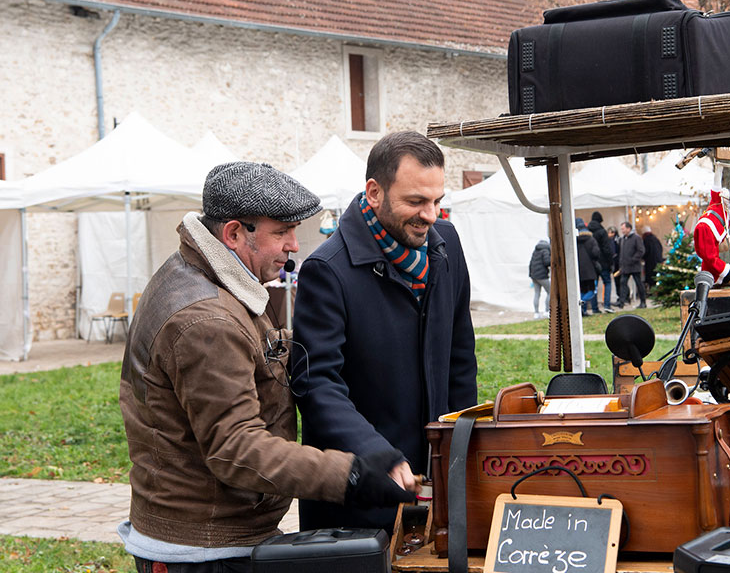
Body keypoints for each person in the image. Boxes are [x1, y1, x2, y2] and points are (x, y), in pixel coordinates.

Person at [118, 162, 414, 573]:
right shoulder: (207, 320)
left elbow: (253, 361)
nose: (294, 244)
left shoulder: (204, 275)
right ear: (234, 233)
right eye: (281, 233)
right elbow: (237, 449)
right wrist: (350, 474)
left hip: (212, 535)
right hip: (204, 551)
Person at [291, 131, 478, 532]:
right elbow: (316, 384)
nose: (430, 215)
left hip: (438, 483)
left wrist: (461, 447)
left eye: (436, 201)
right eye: (415, 202)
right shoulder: (327, 270)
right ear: (374, 192)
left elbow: (461, 357)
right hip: (360, 497)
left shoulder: (447, 244)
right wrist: (378, 455)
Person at [617, 221, 646, 309]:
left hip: (634, 266)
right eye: (621, 229)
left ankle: (643, 302)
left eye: (623, 229)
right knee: (623, 283)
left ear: (629, 228)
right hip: (625, 266)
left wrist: (633, 259)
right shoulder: (622, 239)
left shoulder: (636, 238)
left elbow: (641, 250)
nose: (622, 231)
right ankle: (621, 302)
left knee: (639, 283)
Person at [589, 212, 614, 313]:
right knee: (607, 282)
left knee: (593, 286)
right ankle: (607, 305)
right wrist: (611, 262)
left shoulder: (588, 232)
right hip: (603, 262)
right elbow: (607, 249)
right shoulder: (602, 232)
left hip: (592, 263)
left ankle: (595, 308)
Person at [576, 217, 601, 316]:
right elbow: (596, 253)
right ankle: (581, 303)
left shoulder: (574, 241)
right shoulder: (591, 239)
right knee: (591, 290)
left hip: (579, 270)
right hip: (590, 269)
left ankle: (582, 310)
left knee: (581, 290)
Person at [529, 238, 551, 318]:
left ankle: (536, 313)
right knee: (550, 292)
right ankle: (547, 311)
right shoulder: (545, 250)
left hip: (534, 276)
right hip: (542, 276)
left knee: (537, 293)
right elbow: (547, 262)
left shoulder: (536, 250)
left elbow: (531, 263)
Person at [642, 225, 664, 290]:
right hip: (658, 261)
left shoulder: (645, 240)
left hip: (650, 262)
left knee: (651, 277)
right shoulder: (656, 239)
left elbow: (645, 251)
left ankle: (652, 290)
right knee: (657, 276)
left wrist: (643, 258)